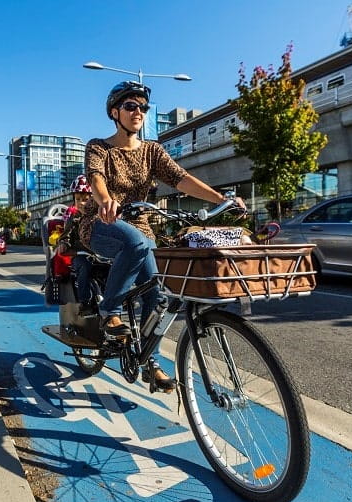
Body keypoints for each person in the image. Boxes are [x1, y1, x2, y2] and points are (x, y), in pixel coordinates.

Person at [78, 81, 246, 393]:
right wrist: (106, 201)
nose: (138, 112)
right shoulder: (99, 147)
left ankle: (150, 362)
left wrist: (221, 199)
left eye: (143, 107)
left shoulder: (152, 151)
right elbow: (96, 178)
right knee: (136, 244)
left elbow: (181, 179)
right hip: (101, 222)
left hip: (140, 226)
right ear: (115, 112)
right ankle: (109, 311)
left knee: (158, 293)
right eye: (130, 106)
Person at [54, 175, 94, 314]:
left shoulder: (99, 215)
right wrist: (64, 244)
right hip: (80, 254)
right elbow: (66, 235)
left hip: (100, 254)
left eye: (85, 199)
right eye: (78, 199)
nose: (81, 203)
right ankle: (85, 302)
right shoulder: (73, 217)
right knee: (84, 266)